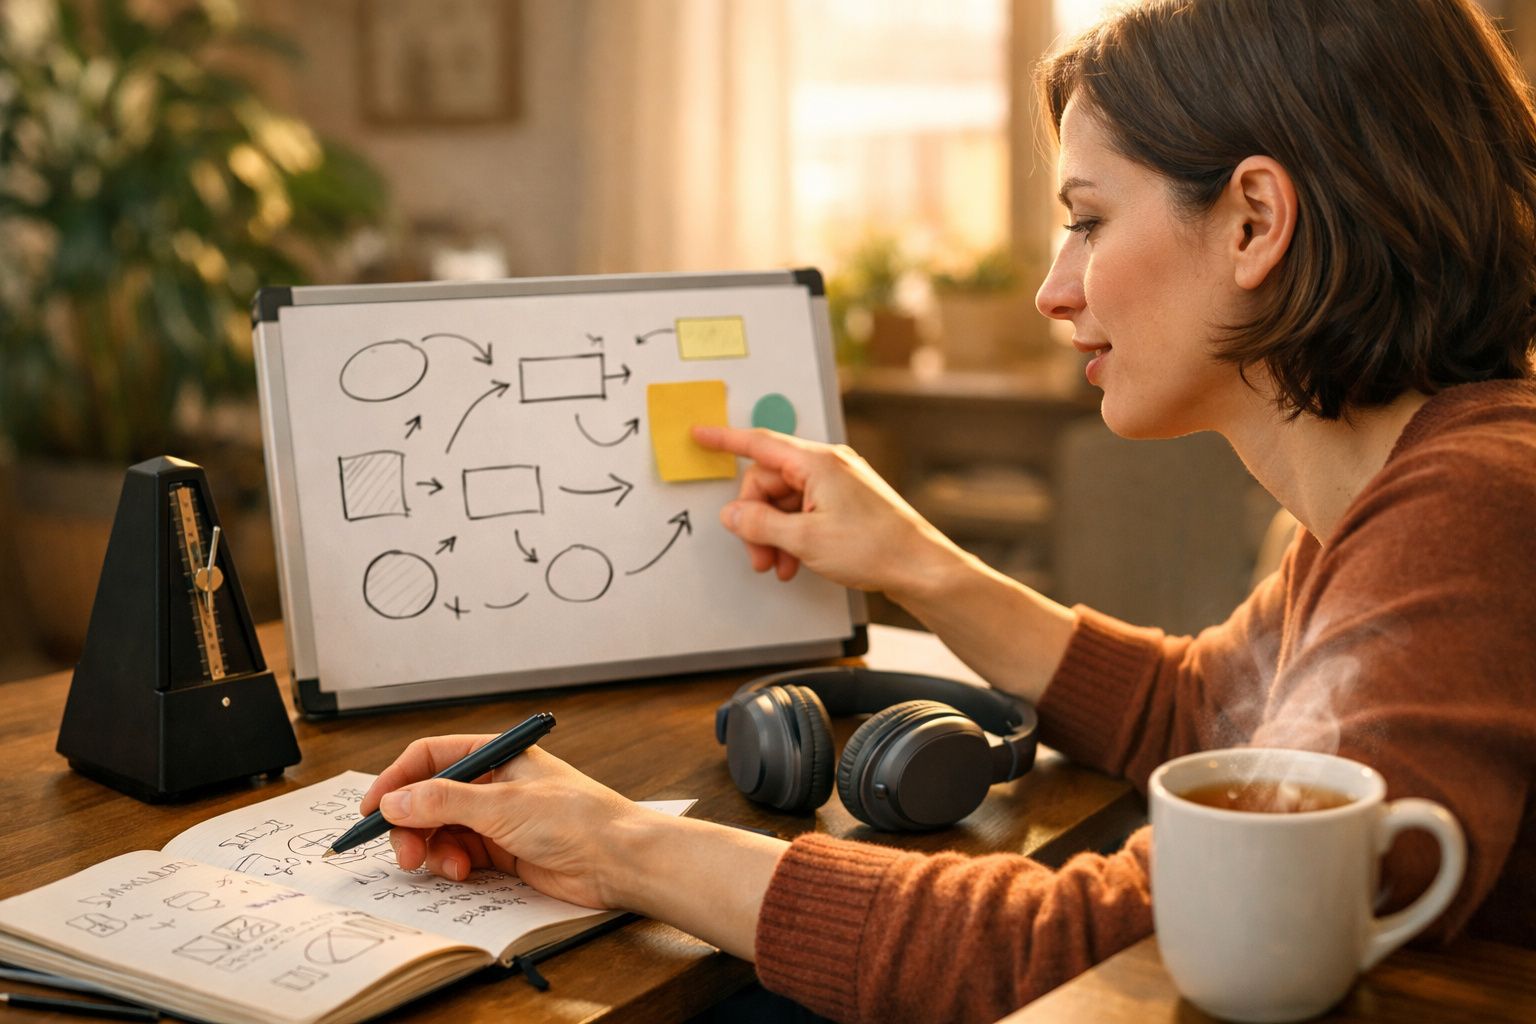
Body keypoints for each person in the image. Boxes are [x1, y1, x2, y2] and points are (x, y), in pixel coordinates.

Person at [358, 1, 1536, 1020]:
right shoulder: (1412, 485)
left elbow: (1114, 939)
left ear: (1254, 223)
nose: (1053, 289)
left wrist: (617, 844)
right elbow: (1204, 712)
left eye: (1088, 219)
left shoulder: (1471, 508)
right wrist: (913, 560)